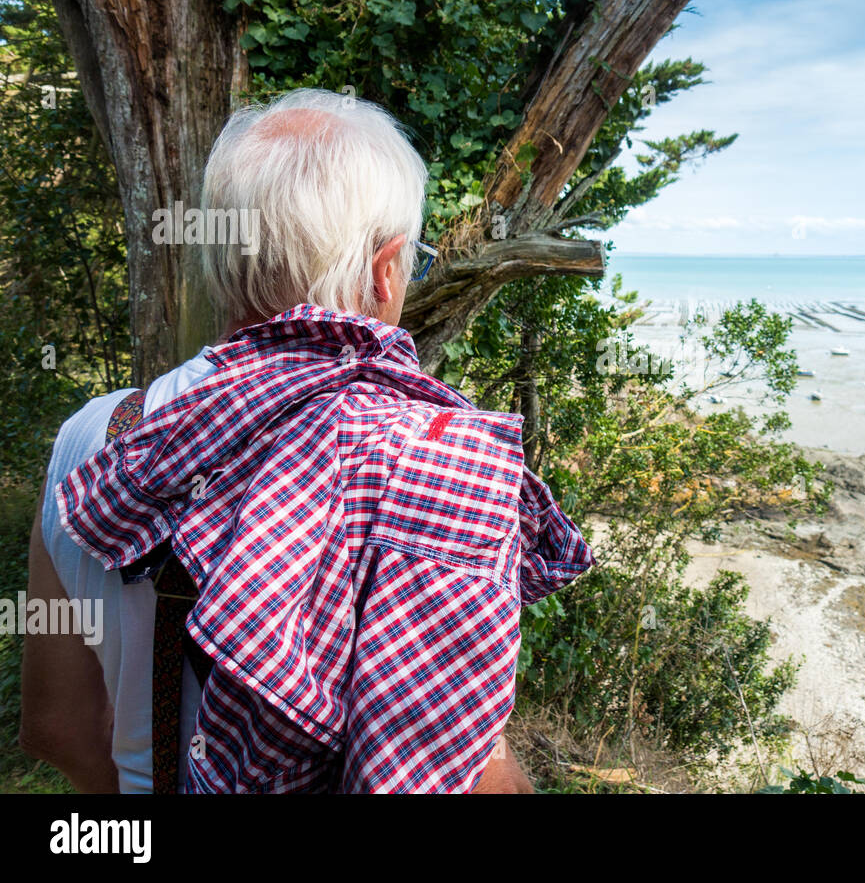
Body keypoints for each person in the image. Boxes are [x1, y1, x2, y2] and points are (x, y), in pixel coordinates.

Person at [19, 88, 595, 793]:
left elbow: (58, 727)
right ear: (385, 268)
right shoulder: (435, 459)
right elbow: (444, 769)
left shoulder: (93, 435)